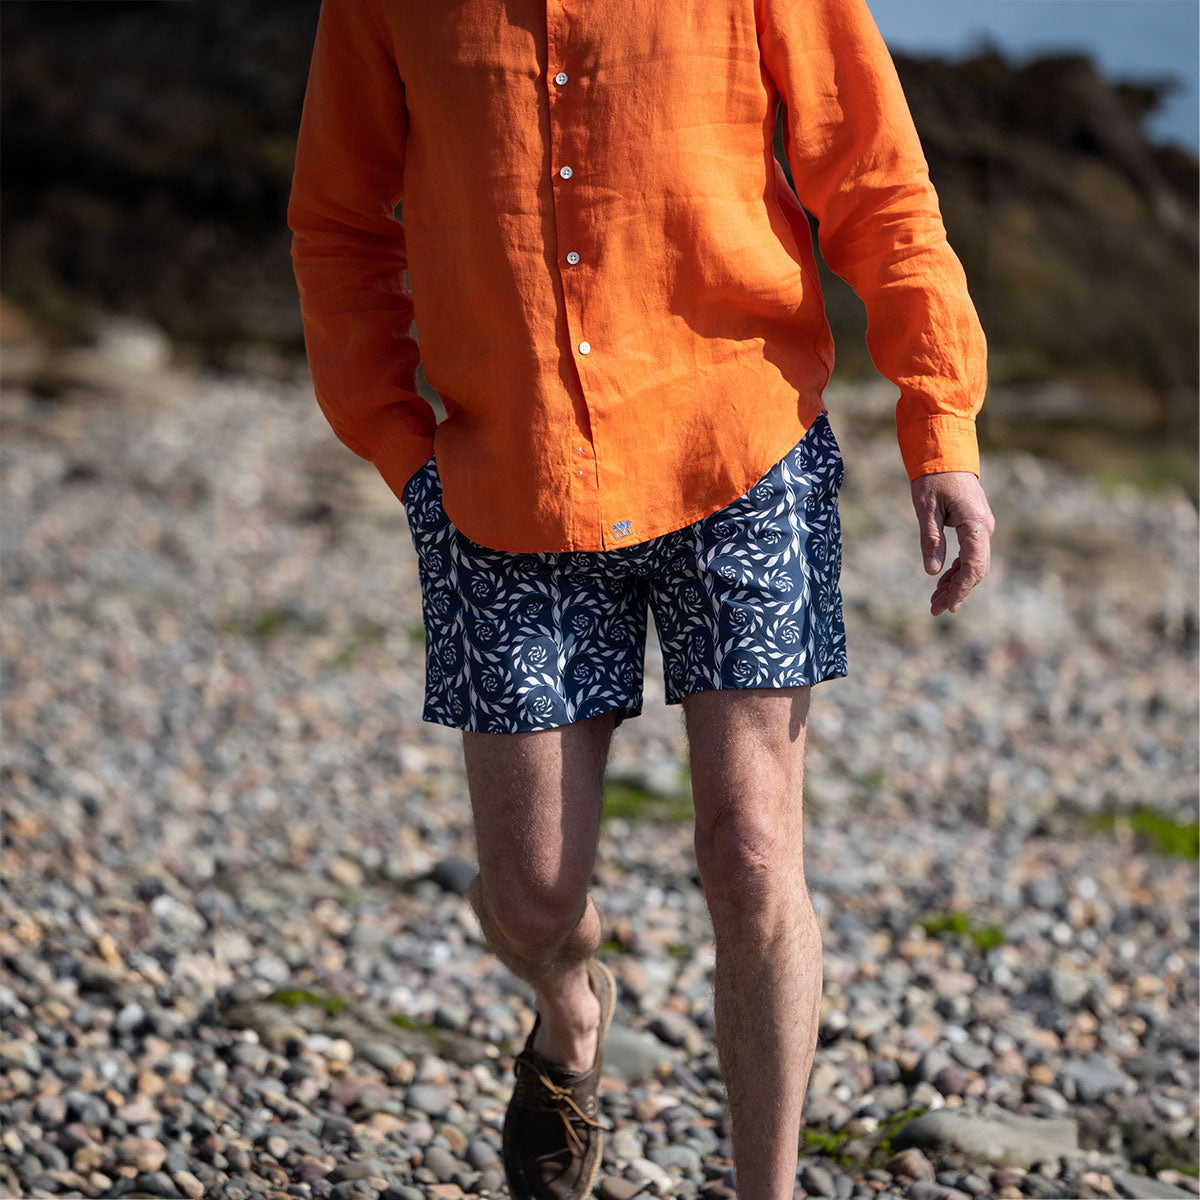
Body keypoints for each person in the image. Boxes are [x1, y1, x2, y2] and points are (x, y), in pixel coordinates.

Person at [287, 0, 995, 1195]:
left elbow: (876, 181)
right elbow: (339, 225)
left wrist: (941, 428)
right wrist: (408, 456)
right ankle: (571, 1015)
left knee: (755, 851)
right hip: (505, 482)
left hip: (743, 445)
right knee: (530, 894)